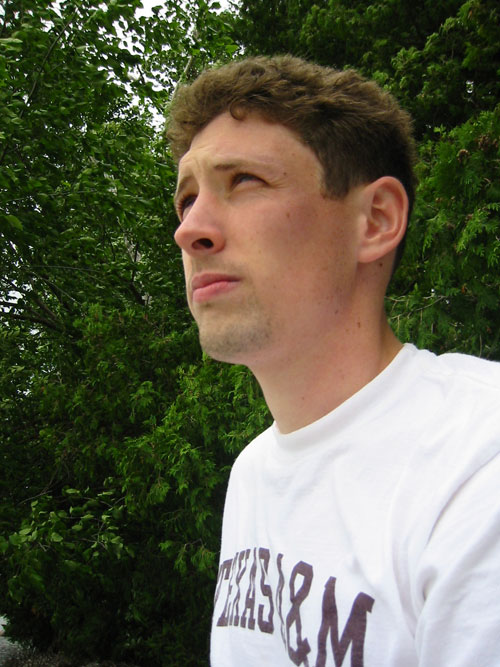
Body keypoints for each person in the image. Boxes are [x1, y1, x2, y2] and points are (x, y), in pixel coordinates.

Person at [168, 55, 500, 666]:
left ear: (375, 221)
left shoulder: (477, 461)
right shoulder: (251, 474)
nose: (190, 230)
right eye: (187, 199)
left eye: (244, 181)